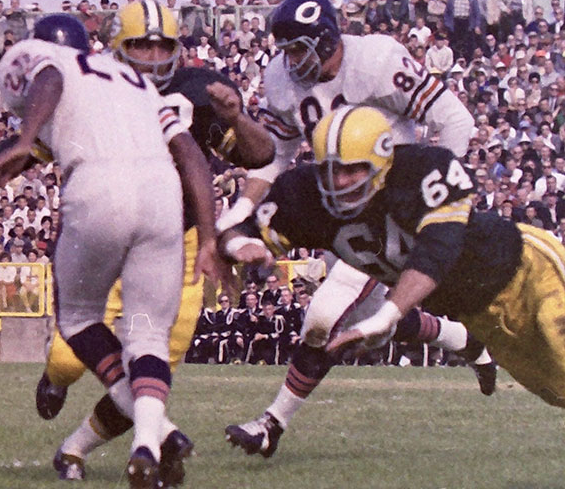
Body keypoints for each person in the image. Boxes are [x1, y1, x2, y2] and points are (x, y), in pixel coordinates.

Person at [0, 10, 225, 489]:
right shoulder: (138, 82)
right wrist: (210, 237)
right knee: (148, 340)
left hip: (98, 190)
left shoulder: (50, 60)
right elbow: (192, 156)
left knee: (80, 318)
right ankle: (151, 444)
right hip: (165, 201)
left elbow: (49, 76)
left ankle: (161, 435)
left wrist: (24, 138)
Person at [218, 0, 494, 460]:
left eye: (298, 50)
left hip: (393, 211)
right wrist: (238, 215)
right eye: (284, 51)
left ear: (327, 42)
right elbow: (274, 158)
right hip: (337, 209)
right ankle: (464, 341)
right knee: (373, 320)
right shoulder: (283, 83)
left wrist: (435, 192)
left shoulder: (376, 59)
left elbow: (455, 120)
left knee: (325, 319)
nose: (290, 62)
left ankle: (272, 424)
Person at [30, 1, 274, 481]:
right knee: (66, 357)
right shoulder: (91, 88)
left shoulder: (194, 90)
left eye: (162, 45)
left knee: (152, 371)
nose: (152, 54)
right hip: (105, 236)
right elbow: (35, 148)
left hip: (172, 242)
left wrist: (237, 117)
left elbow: (260, 154)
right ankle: (57, 381)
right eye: (141, 43)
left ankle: (76, 448)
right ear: (118, 47)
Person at [225, 105, 565, 413]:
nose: (340, 182)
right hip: (478, 316)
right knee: (558, 391)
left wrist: (387, 314)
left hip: (529, 274)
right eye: (331, 170)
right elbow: (239, 227)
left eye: (353, 170)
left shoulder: (422, 169)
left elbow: (436, 251)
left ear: (382, 160)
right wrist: (238, 244)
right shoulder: (306, 196)